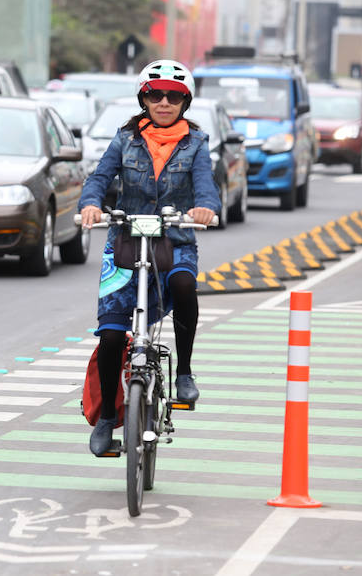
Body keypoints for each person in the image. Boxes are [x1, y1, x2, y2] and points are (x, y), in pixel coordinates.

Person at [78, 59, 220, 457]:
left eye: (173, 97)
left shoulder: (196, 143)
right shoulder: (125, 138)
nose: (163, 102)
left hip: (175, 238)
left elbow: (206, 185)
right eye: (155, 94)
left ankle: (186, 374)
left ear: (184, 103)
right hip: (124, 240)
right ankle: (108, 417)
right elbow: (100, 178)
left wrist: (205, 208)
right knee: (110, 335)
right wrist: (91, 204)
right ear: (144, 98)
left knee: (183, 284)